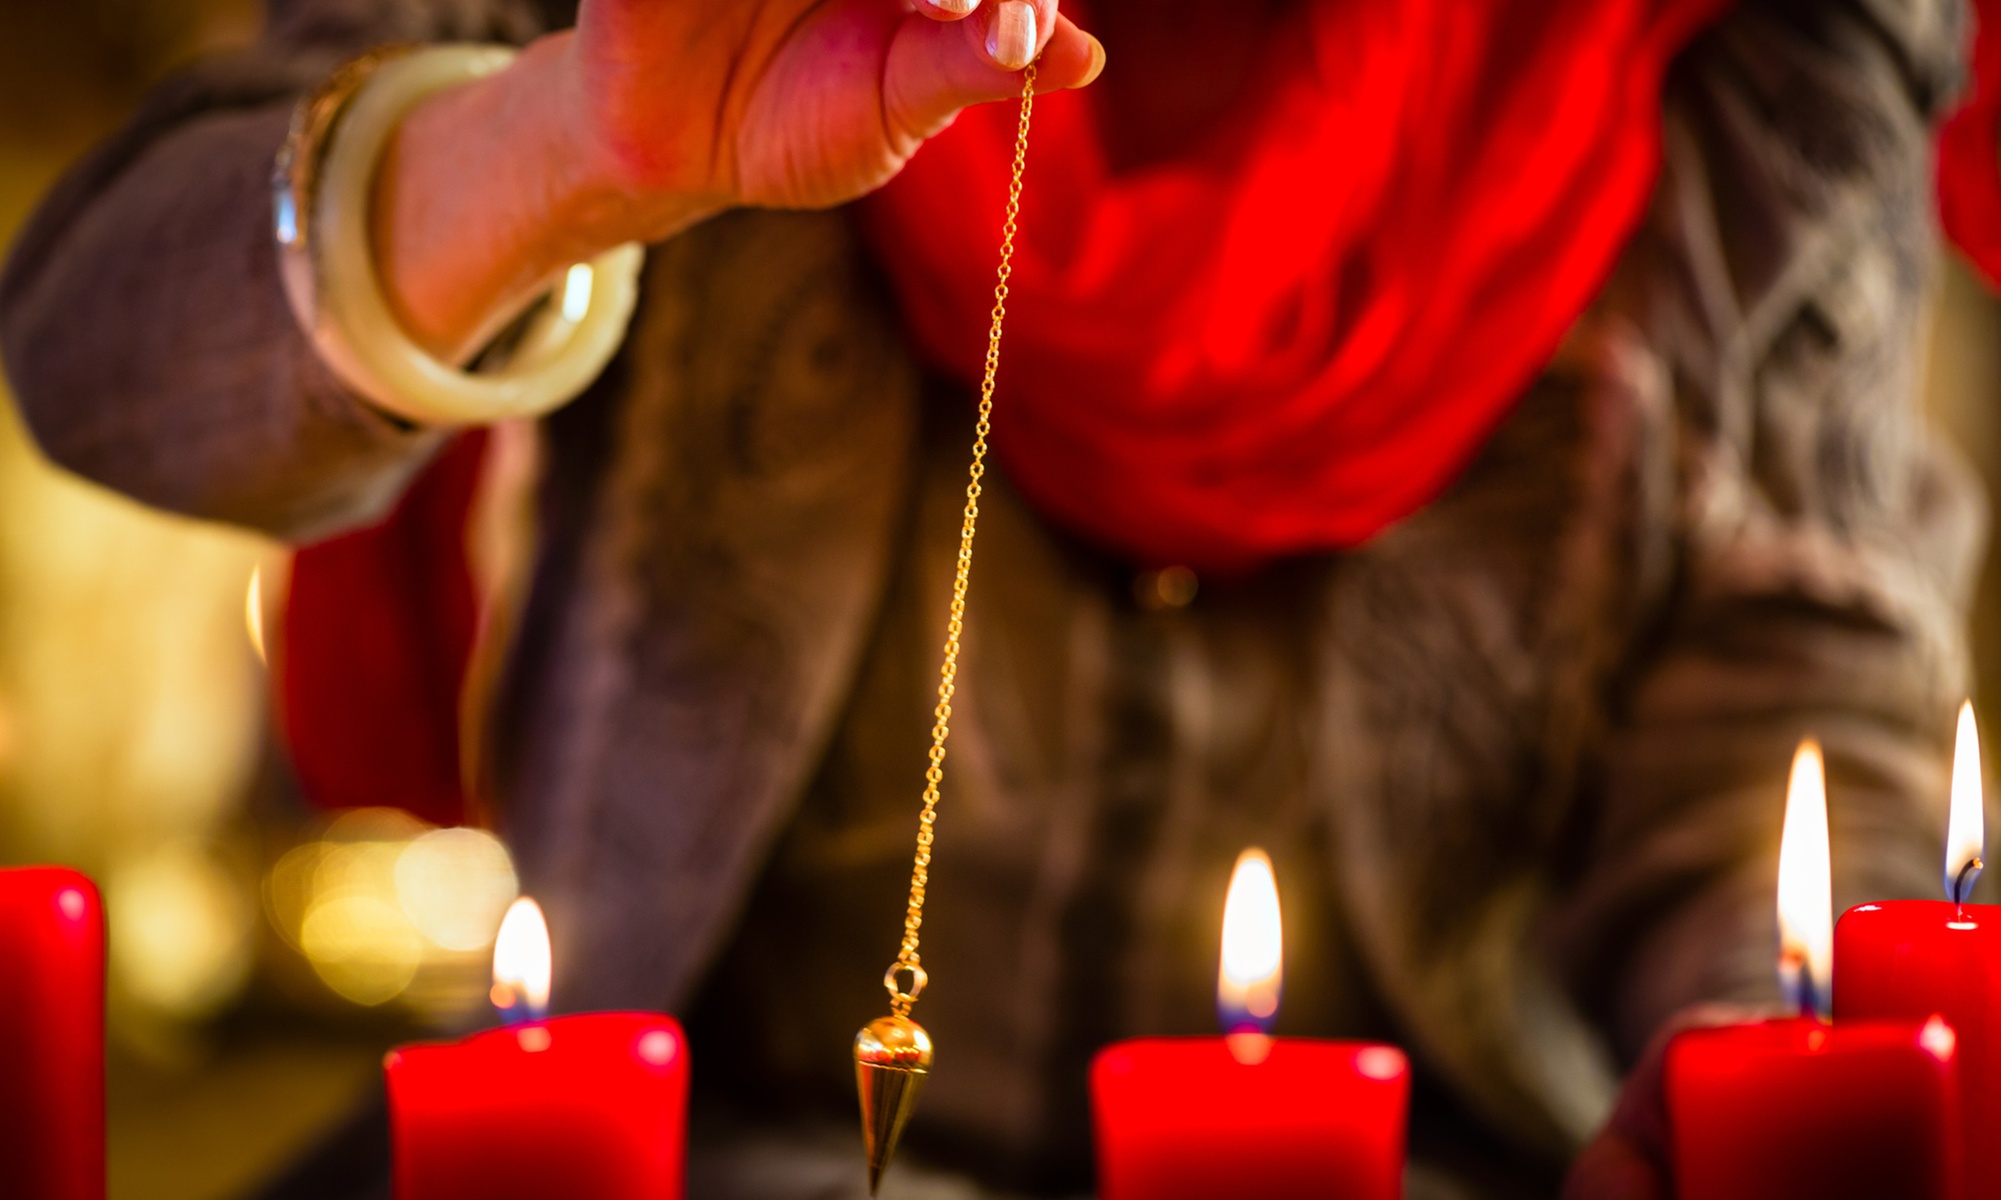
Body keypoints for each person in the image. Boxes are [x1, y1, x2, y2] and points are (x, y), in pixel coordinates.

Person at [0, 0, 1989, 1195]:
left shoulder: (1749, 43)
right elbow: (97, 361)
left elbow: (1777, 718)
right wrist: (562, 150)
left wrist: (1755, 1076)